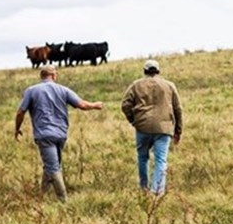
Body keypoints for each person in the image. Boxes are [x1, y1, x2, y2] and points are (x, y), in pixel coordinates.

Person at [14, 64, 103, 202]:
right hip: (61, 134)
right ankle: (42, 197)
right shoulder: (63, 90)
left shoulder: (31, 91)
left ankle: (63, 201)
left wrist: (17, 128)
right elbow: (82, 105)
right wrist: (95, 105)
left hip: (44, 135)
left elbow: (21, 112)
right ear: (54, 76)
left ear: (42, 76)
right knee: (52, 165)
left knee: (53, 167)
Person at [121, 59, 183, 197]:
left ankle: (144, 188)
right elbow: (178, 109)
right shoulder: (169, 85)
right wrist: (178, 130)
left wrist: (133, 120)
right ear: (158, 71)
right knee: (161, 160)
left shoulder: (136, 85)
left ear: (145, 70)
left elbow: (125, 105)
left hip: (142, 127)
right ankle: (157, 192)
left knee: (143, 158)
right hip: (164, 128)